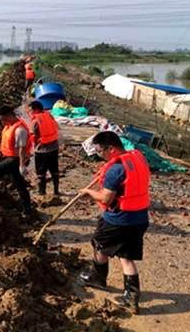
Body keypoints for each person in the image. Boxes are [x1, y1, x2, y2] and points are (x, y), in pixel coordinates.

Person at [78, 131, 150, 315]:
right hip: (139, 218)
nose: (100, 155)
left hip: (119, 219)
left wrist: (89, 193)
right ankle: (131, 298)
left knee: (99, 244)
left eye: (101, 151)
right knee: (126, 257)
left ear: (111, 148)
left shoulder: (116, 169)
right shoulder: (137, 158)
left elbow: (106, 198)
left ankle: (98, 278)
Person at [0, 106, 33, 216]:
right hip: (11, 157)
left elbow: (22, 149)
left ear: (10, 115)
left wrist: (22, 165)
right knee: (19, 184)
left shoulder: (20, 130)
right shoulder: (9, 126)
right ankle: (27, 209)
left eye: (3, 119)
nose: (2, 122)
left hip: (15, 160)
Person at [29, 100, 60, 197]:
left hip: (42, 151)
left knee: (41, 173)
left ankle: (42, 192)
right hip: (54, 148)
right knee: (54, 170)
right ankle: (56, 191)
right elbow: (56, 128)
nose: (30, 112)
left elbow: (33, 137)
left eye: (31, 110)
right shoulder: (49, 116)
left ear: (36, 109)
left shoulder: (35, 121)